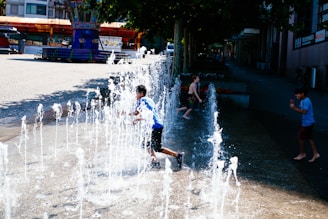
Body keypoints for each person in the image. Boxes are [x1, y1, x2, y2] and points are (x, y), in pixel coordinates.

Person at [131, 85, 184, 169]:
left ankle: (177, 155)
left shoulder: (141, 100)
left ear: (141, 93)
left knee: (156, 148)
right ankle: (155, 161)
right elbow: (150, 115)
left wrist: (123, 113)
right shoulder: (149, 100)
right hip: (157, 124)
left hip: (155, 126)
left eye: (136, 93)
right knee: (146, 144)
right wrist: (138, 120)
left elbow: (136, 113)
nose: (135, 94)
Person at [289, 87, 320, 162]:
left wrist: (293, 108)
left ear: (302, 93)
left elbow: (304, 112)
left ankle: (302, 153)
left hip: (308, 123)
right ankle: (315, 154)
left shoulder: (306, 101)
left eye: (297, 95)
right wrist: (294, 105)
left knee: (300, 136)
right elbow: (300, 109)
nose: (296, 97)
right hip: (307, 122)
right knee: (309, 139)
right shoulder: (302, 100)